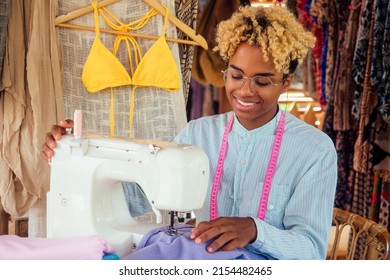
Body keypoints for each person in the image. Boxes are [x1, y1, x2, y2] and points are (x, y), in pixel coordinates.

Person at [41, 5, 337, 260]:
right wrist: (73, 155)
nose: (245, 90)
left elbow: (311, 250)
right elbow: (137, 198)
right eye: (235, 75)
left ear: (286, 83)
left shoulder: (313, 149)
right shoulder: (198, 135)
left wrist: (255, 230)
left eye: (262, 81)